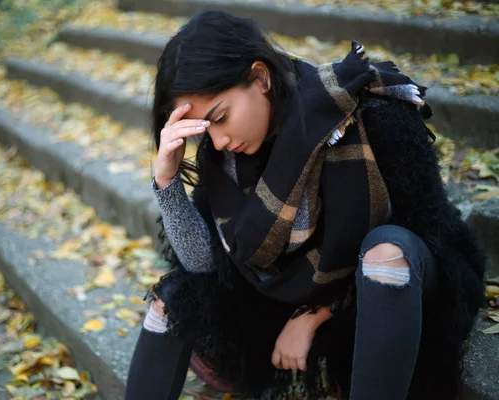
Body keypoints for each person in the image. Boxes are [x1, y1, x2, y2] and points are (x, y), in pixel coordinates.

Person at [125, 10, 486, 400]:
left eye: (220, 117)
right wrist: (167, 182)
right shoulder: (226, 160)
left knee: (387, 248)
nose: (218, 140)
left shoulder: (368, 115)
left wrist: (314, 315)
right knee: (174, 297)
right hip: (284, 296)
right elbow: (204, 265)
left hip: (387, 293)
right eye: (204, 129)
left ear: (261, 78)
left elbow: (429, 234)